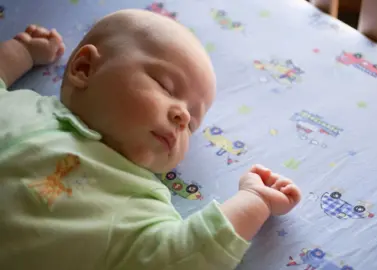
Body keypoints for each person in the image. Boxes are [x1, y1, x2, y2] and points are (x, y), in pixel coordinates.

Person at [0, 9, 301, 270]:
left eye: (192, 124)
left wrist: (254, 200)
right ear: (84, 68)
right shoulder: (25, 109)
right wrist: (23, 51)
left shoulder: (139, 198)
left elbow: (183, 257)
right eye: (166, 86)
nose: (183, 116)